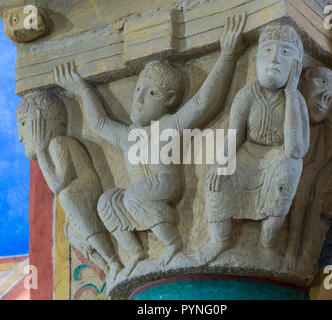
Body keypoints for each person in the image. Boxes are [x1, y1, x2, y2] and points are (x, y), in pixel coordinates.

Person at [54, 13, 247, 277]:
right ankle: (134, 253)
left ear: (169, 101)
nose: (140, 99)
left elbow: (204, 102)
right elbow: (99, 124)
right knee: (107, 202)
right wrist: (83, 91)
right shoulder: (128, 135)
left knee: (133, 196)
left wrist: (227, 56)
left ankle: (172, 242)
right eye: (137, 90)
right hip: (141, 193)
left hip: (164, 183)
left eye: (152, 93)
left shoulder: (171, 126)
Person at [200, 23, 310, 264]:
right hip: (247, 155)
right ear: (257, 56)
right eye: (268, 50)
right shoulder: (247, 94)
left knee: (289, 171)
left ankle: (267, 243)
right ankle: (220, 240)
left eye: (284, 53)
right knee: (216, 179)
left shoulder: (296, 100)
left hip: (277, 158)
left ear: (297, 65)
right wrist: (221, 162)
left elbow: (295, 149)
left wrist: (291, 92)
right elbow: (234, 136)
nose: (274, 59)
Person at [16, 91, 123, 284]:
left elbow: (59, 184)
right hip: (79, 192)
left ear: (41, 122)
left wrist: (40, 151)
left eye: (23, 124)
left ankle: (114, 260)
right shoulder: (52, 149)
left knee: (66, 197)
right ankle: (107, 267)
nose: (19, 136)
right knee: (71, 231)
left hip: (86, 188)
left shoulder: (58, 143)